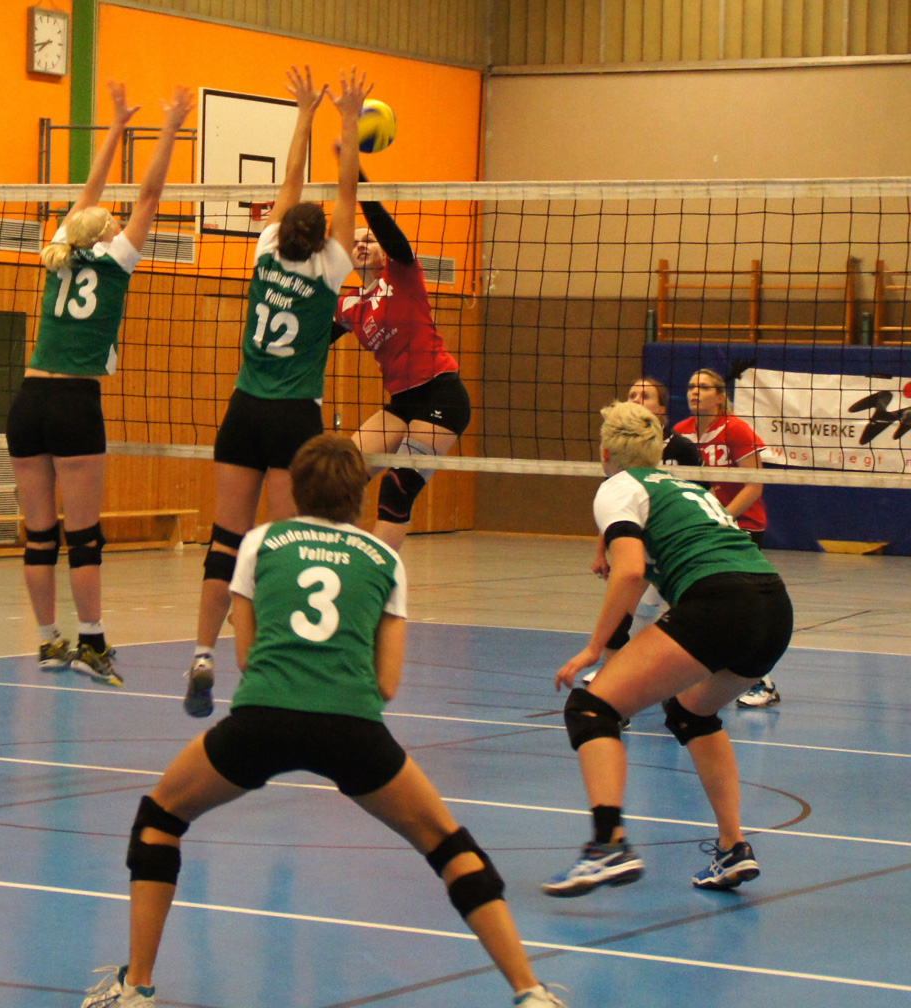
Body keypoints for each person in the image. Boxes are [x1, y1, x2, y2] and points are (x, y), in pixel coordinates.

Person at [81, 435, 569, 1008]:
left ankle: (136, 987)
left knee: (160, 818)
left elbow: (248, 658)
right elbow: (387, 684)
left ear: (295, 487)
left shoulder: (262, 542)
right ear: (359, 493)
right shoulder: (384, 559)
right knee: (448, 844)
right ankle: (529, 990)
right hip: (351, 727)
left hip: (263, 720)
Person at [543, 401, 792, 898]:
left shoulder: (617, 486)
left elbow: (630, 571)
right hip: (773, 607)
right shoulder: (685, 487)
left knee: (590, 708)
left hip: (719, 602)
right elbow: (645, 565)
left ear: (605, 453)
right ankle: (733, 847)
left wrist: (594, 648)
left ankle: (608, 845)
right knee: (690, 712)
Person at [184, 67, 366, 718]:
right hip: (294, 420)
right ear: (322, 240)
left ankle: (201, 654)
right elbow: (346, 191)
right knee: (288, 544)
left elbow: (290, 181)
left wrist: (305, 114)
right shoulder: (331, 268)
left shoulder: (264, 250)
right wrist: (350, 120)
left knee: (225, 539)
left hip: (243, 411)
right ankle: (280, 662)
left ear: (283, 228)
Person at [7, 81, 194, 685]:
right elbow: (151, 194)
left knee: (40, 537)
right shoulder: (116, 262)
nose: (118, 222)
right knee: (84, 537)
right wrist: (169, 127)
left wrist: (115, 126)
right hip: (74, 402)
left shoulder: (59, 252)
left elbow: (88, 194)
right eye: (114, 222)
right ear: (108, 234)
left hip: (28, 401)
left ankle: (47, 641)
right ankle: (92, 642)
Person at [334, 161, 472, 552]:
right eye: (354, 243)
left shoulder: (403, 272)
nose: (362, 245)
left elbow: (384, 225)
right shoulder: (348, 306)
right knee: (339, 477)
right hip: (401, 403)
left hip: (441, 396)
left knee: (397, 491)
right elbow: (308, 340)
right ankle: (335, 557)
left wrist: (356, 177)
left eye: (368, 240)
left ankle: (377, 578)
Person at [671, 368, 780, 708]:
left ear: (720, 396)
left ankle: (762, 681)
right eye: (691, 386)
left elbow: (755, 484)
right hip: (701, 529)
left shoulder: (736, 429)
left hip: (740, 526)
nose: (694, 392)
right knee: (699, 605)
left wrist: (722, 520)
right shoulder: (680, 432)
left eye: (703, 387)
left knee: (741, 606)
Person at [586, 378, 702, 681]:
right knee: (624, 615)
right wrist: (601, 551)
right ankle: (615, 676)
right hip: (647, 549)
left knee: (696, 625)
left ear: (661, 409)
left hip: (680, 553)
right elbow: (617, 512)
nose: (637, 400)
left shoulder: (681, 448)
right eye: (632, 394)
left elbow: (704, 494)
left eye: (645, 395)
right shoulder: (620, 468)